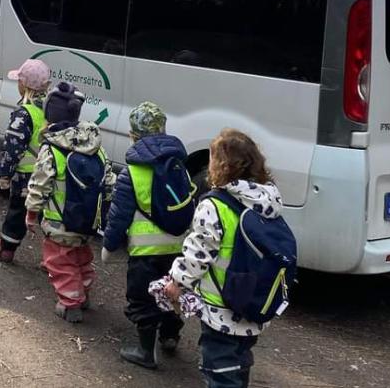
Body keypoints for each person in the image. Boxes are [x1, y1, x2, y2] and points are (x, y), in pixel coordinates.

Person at [164, 129, 283, 388]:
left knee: (218, 369)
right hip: (254, 302)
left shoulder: (214, 205)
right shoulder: (268, 201)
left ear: (221, 166)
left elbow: (198, 253)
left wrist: (176, 281)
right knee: (240, 361)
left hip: (222, 307)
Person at [102, 102, 195, 369]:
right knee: (172, 293)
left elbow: (119, 214)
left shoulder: (132, 171)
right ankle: (169, 336)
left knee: (143, 298)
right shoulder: (179, 164)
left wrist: (109, 245)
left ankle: (146, 351)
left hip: (146, 253)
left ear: (133, 134)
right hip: (178, 248)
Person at [24, 82, 115, 323]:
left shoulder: (52, 150)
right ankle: (84, 291)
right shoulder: (96, 148)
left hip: (59, 222)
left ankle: (71, 302)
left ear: (49, 116)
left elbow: (39, 184)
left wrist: (32, 212)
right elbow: (109, 182)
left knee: (60, 261)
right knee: (81, 256)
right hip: (88, 222)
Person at [0, 59, 51, 263]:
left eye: (19, 81)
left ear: (25, 85)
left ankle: (6, 248)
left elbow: (12, 147)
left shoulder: (24, 114)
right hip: (49, 174)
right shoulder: (52, 111)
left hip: (26, 177)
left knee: (17, 212)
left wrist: (4, 173)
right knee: (48, 218)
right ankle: (55, 259)